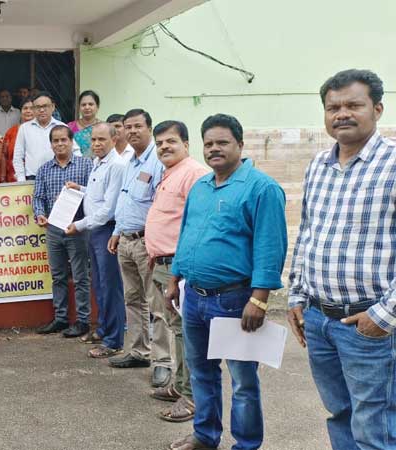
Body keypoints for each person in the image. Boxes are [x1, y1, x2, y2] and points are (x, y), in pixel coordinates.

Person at [164, 113, 287, 450]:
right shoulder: (201, 187)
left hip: (235, 300)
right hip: (195, 298)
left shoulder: (262, 188)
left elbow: (270, 247)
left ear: (240, 145)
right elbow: (187, 235)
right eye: (208, 144)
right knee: (201, 372)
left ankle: (246, 444)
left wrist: (259, 299)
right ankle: (205, 436)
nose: (214, 149)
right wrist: (175, 278)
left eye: (222, 142)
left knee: (243, 381)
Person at [288, 69, 396, 450]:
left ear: (377, 109)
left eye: (353, 105)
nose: (342, 114)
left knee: (376, 427)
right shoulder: (318, 166)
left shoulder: (393, 164)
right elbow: (307, 233)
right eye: (333, 107)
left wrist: (383, 316)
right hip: (319, 321)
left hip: (368, 323)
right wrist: (297, 296)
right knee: (340, 414)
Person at [144, 120, 209, 424]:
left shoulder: (193, 173)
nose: (164, 147)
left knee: (186, 331)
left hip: (178, 268)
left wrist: (177, 270)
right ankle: (181, 385)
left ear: (186, 144)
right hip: (163, 264)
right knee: (176, 328)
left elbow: (198, 226)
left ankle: (191, 395)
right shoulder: (171, 173)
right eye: (159, 143)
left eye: (170, 141)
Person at [106, 109, 170, 390]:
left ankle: (163, 362)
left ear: (149, 129)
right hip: (126, 240)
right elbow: (126, 201)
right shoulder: (130, 161)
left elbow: (161, 205)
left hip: (147, 242)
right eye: (127, 127)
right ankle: (138, 351)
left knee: (158, 304)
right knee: (132, 299)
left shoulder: (158, 161)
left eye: (137, 126)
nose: (131, 131)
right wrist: (116, 232)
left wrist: (153, 242)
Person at [63, 123, 126, 356]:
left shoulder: (117, 166)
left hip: (106, 230)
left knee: (110, 286)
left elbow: (108, 209)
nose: (97, 144)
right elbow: (96, 195)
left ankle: (114, 341)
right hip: (94, 230)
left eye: (102, 139)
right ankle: (103, 329)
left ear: (114, 140)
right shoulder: (97, 162)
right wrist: (79, 188)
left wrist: (79, 225)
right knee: (99, 284)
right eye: (94, 140)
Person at [33, 125, 93, 336]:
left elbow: (95, 194)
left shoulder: (86, 165)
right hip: (53, 228)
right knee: (58, 276)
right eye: (55, 141)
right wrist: (39, 214)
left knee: (80, 276)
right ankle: (61, 318)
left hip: (77, 228)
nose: (59, 144)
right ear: (51, 144)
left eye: (63, 140)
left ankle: (83, 320)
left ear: (71, 141)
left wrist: (78, 191)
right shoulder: (44, 170)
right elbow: (38, 197)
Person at [13, 91, 79, 181]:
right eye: (38, 107)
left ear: (53, 107)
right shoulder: (24, 128)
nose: (41, 110)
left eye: (45, 106)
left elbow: (75, 151)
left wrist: (75, 172)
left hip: (59, 176)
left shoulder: (62, 127)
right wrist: (21, 179)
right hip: (33, 178)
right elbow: (17, 157)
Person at [1, 97, 34, 183]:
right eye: (25, 108)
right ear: (21, 111)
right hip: (13, 178)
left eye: (32, 108)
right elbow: (4, 155)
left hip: (36, 177)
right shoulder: (11, 132)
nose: (28, 111)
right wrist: (2, 178)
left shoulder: (41, 131)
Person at [67, 90, 101, 158]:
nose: (87, 107)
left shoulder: (104, 127)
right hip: (75, 163)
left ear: (97, 106)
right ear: (79, 107)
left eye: (90, 104)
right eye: (83, 105)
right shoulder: (70, 127)